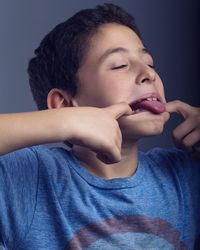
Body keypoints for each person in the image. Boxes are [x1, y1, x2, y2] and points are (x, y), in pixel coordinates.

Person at [0, 3, 199, 249]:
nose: (148, 74)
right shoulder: (31, 179)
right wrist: (64, 121)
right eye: (120, 65)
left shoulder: (183, 175)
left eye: (150, 63)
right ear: (63, 103)